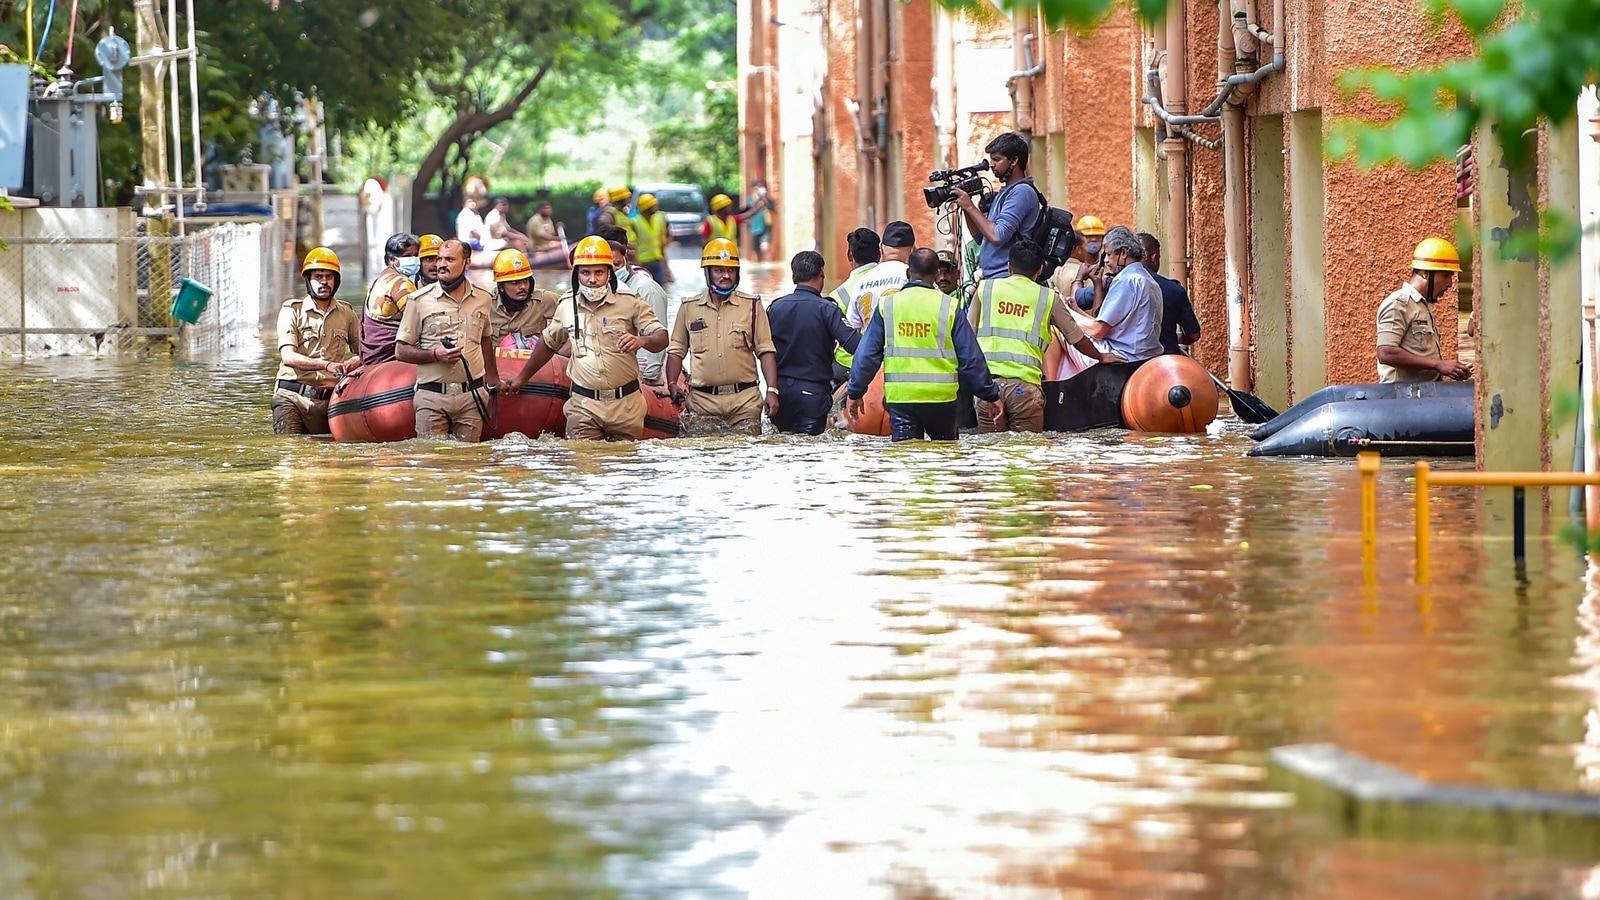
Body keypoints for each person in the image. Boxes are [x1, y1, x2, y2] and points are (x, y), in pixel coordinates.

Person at [506, 237, 669, 441]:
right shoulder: (566, 304)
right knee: (582, 464)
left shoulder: (630, 301)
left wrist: (642, 341)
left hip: (626, 406)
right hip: (583, 405)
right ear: (576, 275)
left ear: (609, 273)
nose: (592, 279)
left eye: (599, 272)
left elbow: (661, 337)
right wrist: (522, 378)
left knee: (624, 466)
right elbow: (548, 343)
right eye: (586, 273)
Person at [848, 248, 1000, 442]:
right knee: (945, 457)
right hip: (941, 400)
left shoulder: (888, 306)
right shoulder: (949, 307)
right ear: (936, 274)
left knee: (906, 460)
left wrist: (855, 391)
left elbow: (867, 356)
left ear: (908, 273)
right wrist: (990, 394)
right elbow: (970, 358)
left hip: (901, 400)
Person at [970, 239, 1120, 433]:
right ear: (1040, 270)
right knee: (1029, 456)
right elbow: (1076, 338)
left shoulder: (985, 289)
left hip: (988, 389)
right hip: (1024, 390)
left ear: (1009, 267)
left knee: (991, 455)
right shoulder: (1048, 298)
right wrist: (1102, 357)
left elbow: (968, 336)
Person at [665, 239, 779, 436]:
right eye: (718, 270)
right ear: (708, 273)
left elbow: (766, 351)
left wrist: (772, 390)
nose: (726, 275)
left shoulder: (752, 306)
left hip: (745, 403)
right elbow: (676, 351)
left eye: (731, 270)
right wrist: (672, 384)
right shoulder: (689, 308)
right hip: (702, 404)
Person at [394, 239, 504, 442]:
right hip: (431, 397)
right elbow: (400, 351)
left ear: (467, 263)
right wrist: (435, 354)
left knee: (468, 463)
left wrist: (494, 381)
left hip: (472, 397)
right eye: (440, 259)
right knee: (432, 464)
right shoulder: (418, 300)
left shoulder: (484, 298)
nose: (441, 265)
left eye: (450, 259)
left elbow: (486, 340)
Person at [767, 250, 861, 435]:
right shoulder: (827, 309)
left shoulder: (774, 307)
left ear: (794, 277)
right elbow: (855, 346)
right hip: (812, 394)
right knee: (809, 453)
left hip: (779, 393)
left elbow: (760, 348)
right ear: (821, 275)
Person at [272, 248, 362, 435]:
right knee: (292, 453)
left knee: (328, 459)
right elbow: (288, 356)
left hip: (331, 401)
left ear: (336, 281)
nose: (324, 281)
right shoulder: (292, 310)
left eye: (329, 277)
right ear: (308, 279)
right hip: (291, 397)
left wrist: (357, 361)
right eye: (318, 276)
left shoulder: (347, 313)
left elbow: (367, 351)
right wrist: (326, 365)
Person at [1377, 237, 1472, 383]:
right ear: (1425, 273)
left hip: (1425, 396)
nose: (1450, 283)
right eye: (1446, 275)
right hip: (1402, 399)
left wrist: (1451, 369)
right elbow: (1386, 353)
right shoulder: (1398, 304)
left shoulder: (1422, 306)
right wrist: (1438, 365)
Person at [951, 132, 1040, 281]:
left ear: (1014, 161)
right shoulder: (1006, 192)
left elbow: (997, 236)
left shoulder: (1022, 191)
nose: (991, 165)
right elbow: (980, 237)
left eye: (997, 159)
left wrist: (971, 207)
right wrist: (966, 207)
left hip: (1008, 278)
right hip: (995, 278)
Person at [597, 224, 671, 384]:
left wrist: (650, 377)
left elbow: (657, 334)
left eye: (615, 263)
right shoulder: (601, 289)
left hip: (639, 374)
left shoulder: (646, 289)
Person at [1077, 226, 1164, 362]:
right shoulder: (1149, 280)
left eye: (1108, 254)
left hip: (1122, 355)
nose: (1105, 260)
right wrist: (1074, 310)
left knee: (1056, 333)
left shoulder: (1126, 280)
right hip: (1147, 356)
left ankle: (1046, 382)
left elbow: (1097, 331)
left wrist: (1065, 313)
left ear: (1123, 253)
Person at [827, 227, 882, 387]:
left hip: (848, 364)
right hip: (886, 360)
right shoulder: (895, 281)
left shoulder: (838, 294)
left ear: (849, 255)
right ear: (879, 254)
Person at [359, 232, 420, 365]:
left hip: (371, 358)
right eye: (408, 256)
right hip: (389, 358)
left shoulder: (380, 280)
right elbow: (420, 320)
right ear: (392, 259)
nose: (414, 260)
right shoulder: (401, 283)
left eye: (416, 255)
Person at [1136, 232, 1201, 356]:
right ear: (1154, 258)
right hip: (1166, 358)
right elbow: (1193, 334)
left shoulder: (1116, 286)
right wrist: (1170, 338)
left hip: (1129, 362)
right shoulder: (1174, 290)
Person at [489, 248, 560, 347]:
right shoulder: (487, 304)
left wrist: (560, 351)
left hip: (534, 361)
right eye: (515, 282)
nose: (523, 287)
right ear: (501, 287)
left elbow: (575, 311)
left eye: (525, 281)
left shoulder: (543, 300)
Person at [1052, 214, 1103, 308]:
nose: (1094, 239)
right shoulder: (1085, 273)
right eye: (1088, 236)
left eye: (1097, 236)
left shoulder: (1054, 269)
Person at [631, 193, 672, 286]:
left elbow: (662, 239)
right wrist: (638, 264)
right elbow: (633, 245)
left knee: (661, 287)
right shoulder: (634, 222)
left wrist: (664, 262)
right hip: (643, 261)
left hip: (657, 259)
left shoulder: (659, 219)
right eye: (653, 206)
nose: (656, 207)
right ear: (646, 208)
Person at [745, 180, 775, 262]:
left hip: (766, 226)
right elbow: (748, 210)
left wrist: (765, 199)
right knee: (756, 250)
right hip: (754, 227)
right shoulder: (750, 199)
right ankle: (759, 266)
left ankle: (768, 264)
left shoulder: (768, 199)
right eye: (758, 187)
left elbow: (774, 209)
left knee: (765, 247)